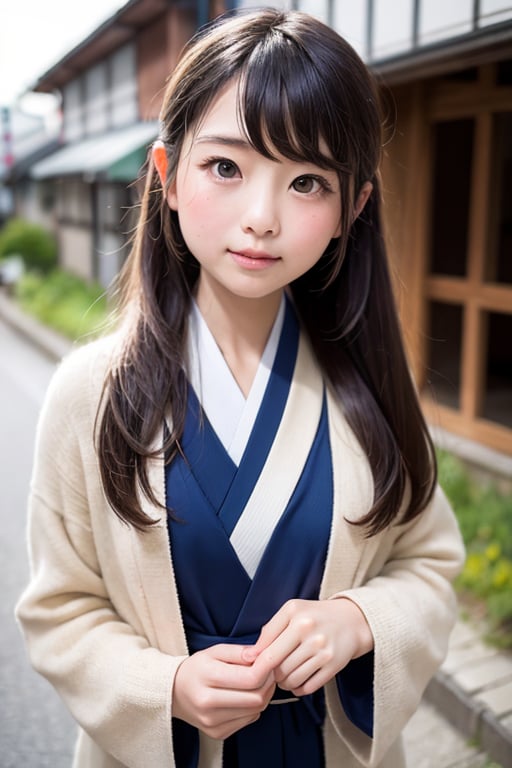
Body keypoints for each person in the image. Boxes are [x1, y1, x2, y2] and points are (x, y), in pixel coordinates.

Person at [16, 8, 465, 768]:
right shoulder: (89, 393)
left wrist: (361, 621)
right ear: (167, 175)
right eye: (226, 167)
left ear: (351, 210)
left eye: (306, 181)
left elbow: (427, 564)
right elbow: (59, 609)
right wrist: (166, 687)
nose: (261, 218)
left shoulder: (370, 389)